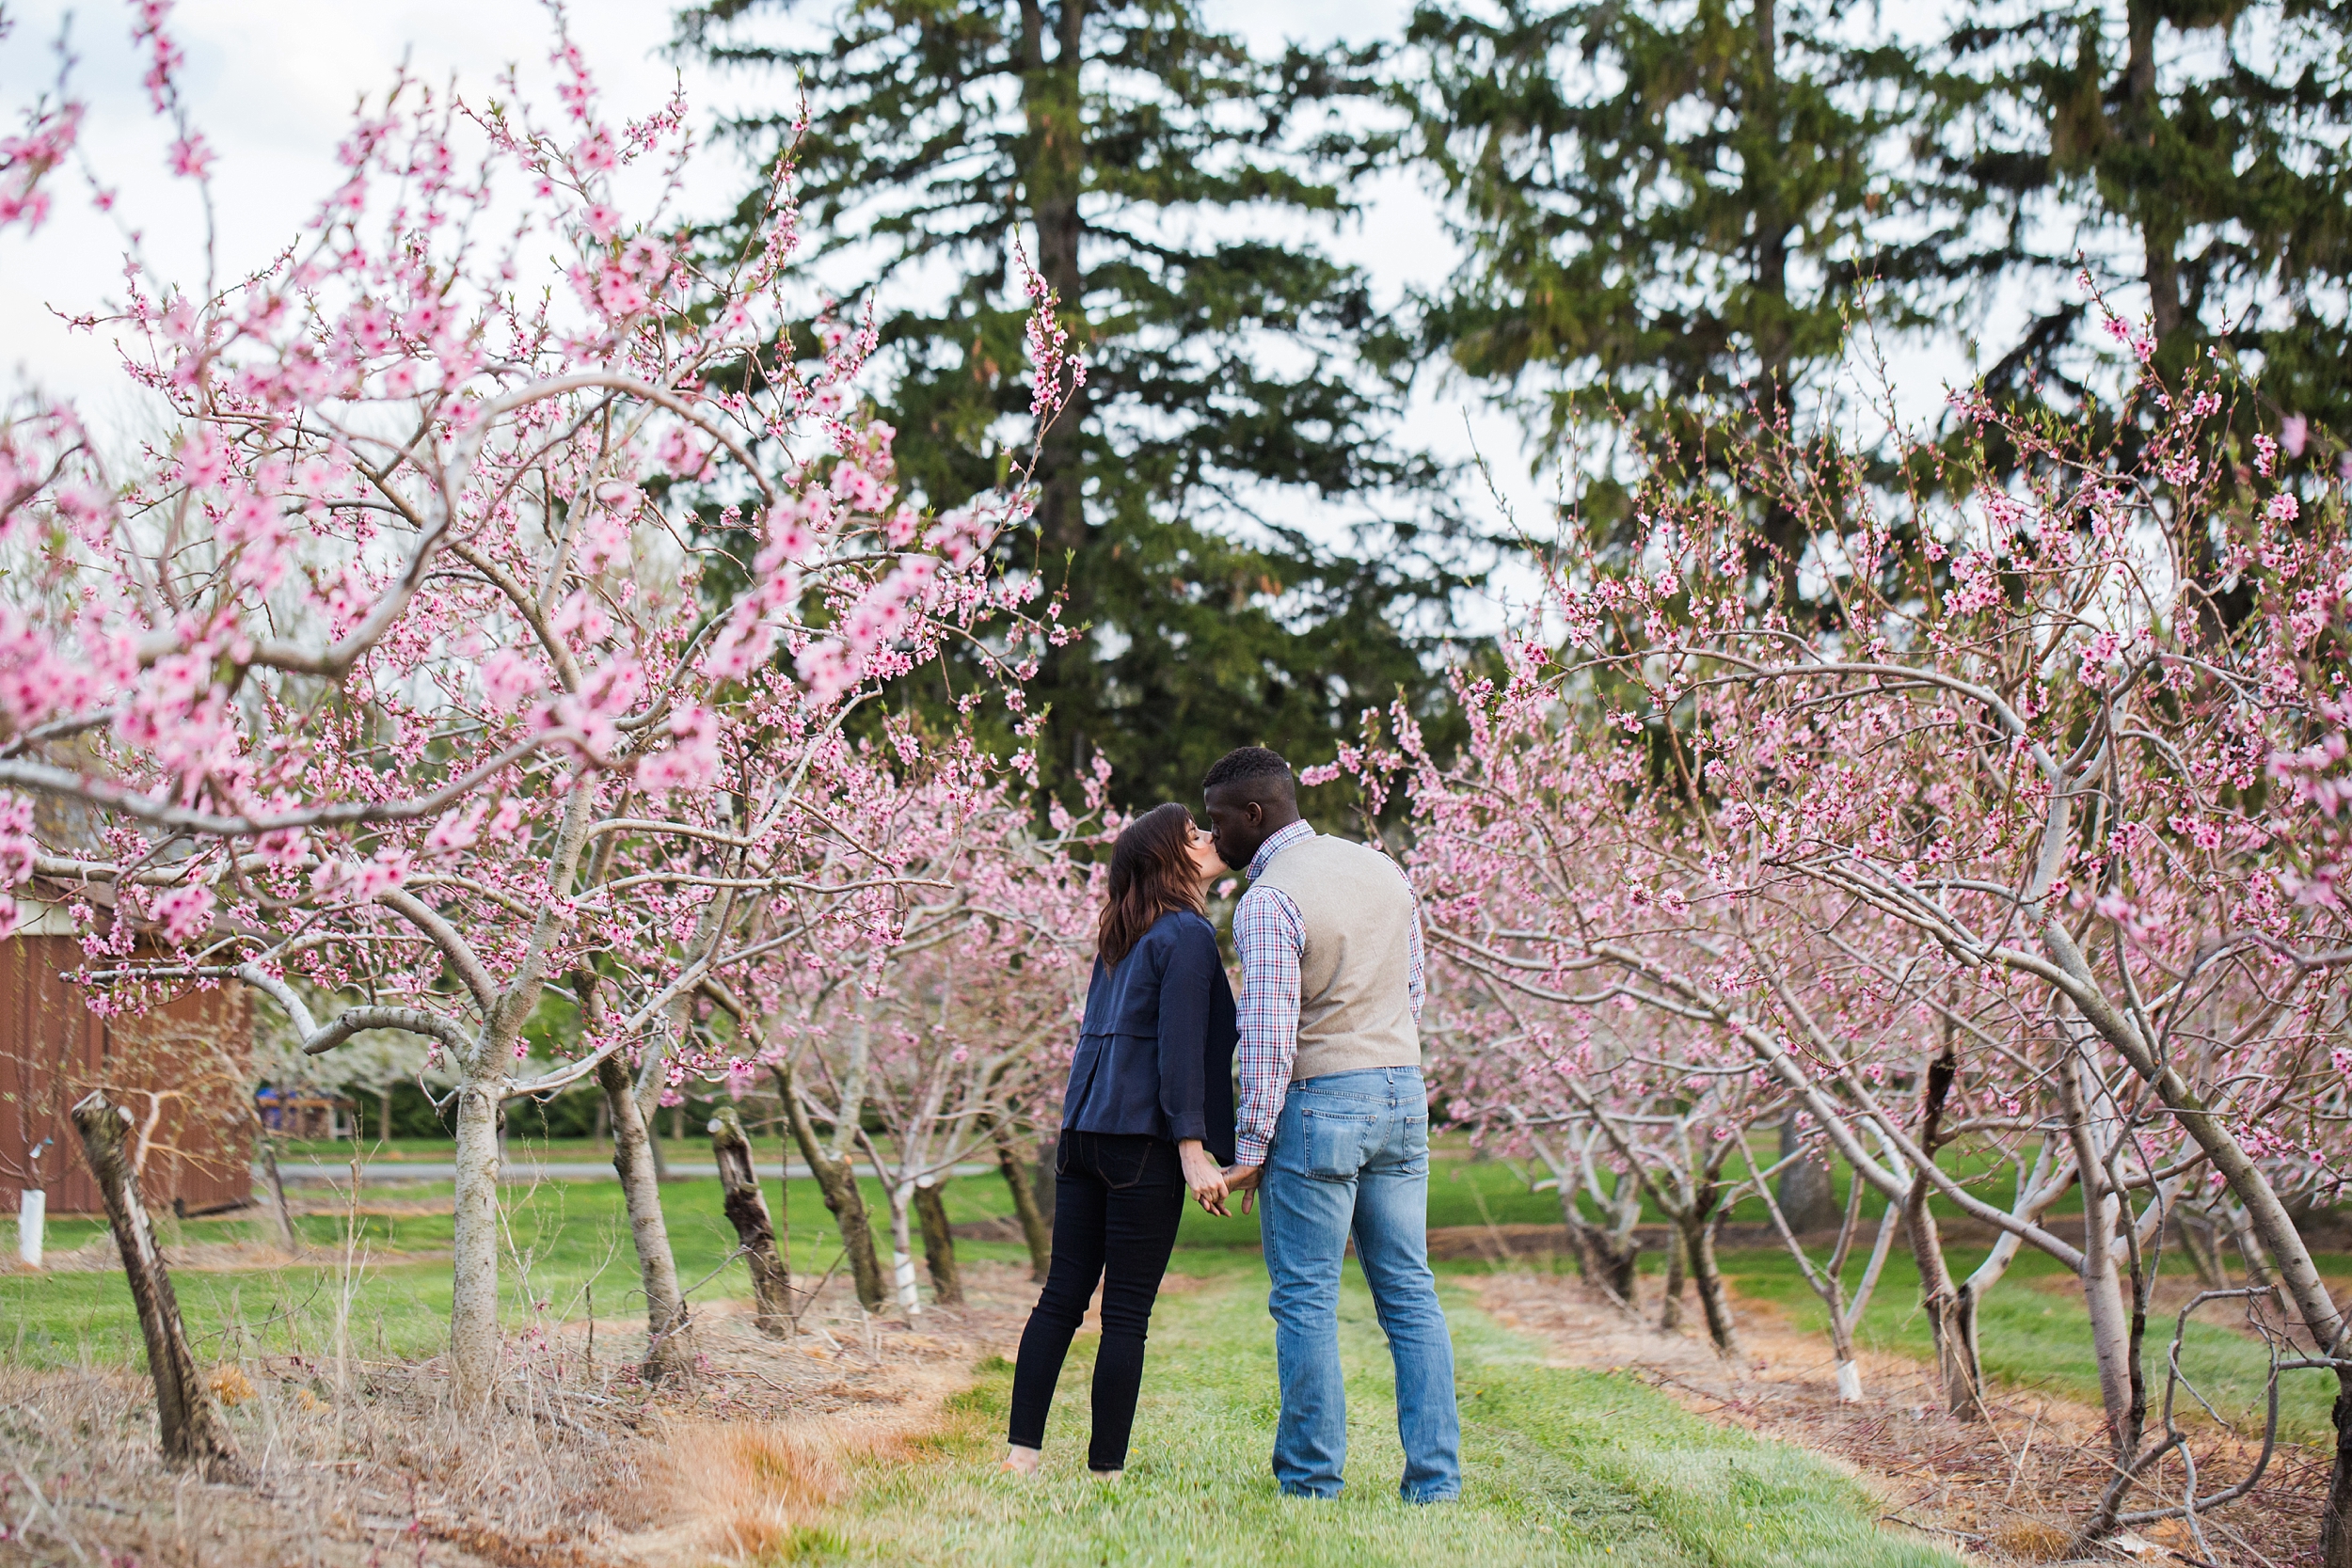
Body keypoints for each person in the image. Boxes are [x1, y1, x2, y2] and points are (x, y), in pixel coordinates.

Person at [1204, 745, 1461, 1503]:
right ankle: (1436, 1484)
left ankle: (1314, 1481)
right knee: (1411, 1294)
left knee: (1307, 1298)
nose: (1214, 838)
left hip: (1320, 1104)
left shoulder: (1269, 899)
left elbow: (1270, 1038)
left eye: (1221, 821)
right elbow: (1413, 989)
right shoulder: (1383, 869)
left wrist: (1251, 1147)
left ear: (1256, 814)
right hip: (1401, 1091)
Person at [1002, 801, 1237, 1481]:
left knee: (1061, 1296)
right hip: (1142, 1142)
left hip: (1081, 1136)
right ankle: (1105, 1469)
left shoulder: (1119, 935)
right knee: (1125, 1313)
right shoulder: (1186, 935)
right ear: (1170, 858)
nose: (1207, 838)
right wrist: (1193, 1149)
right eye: (1192, 834)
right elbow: (1181, 1049)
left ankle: (1023, 1456)